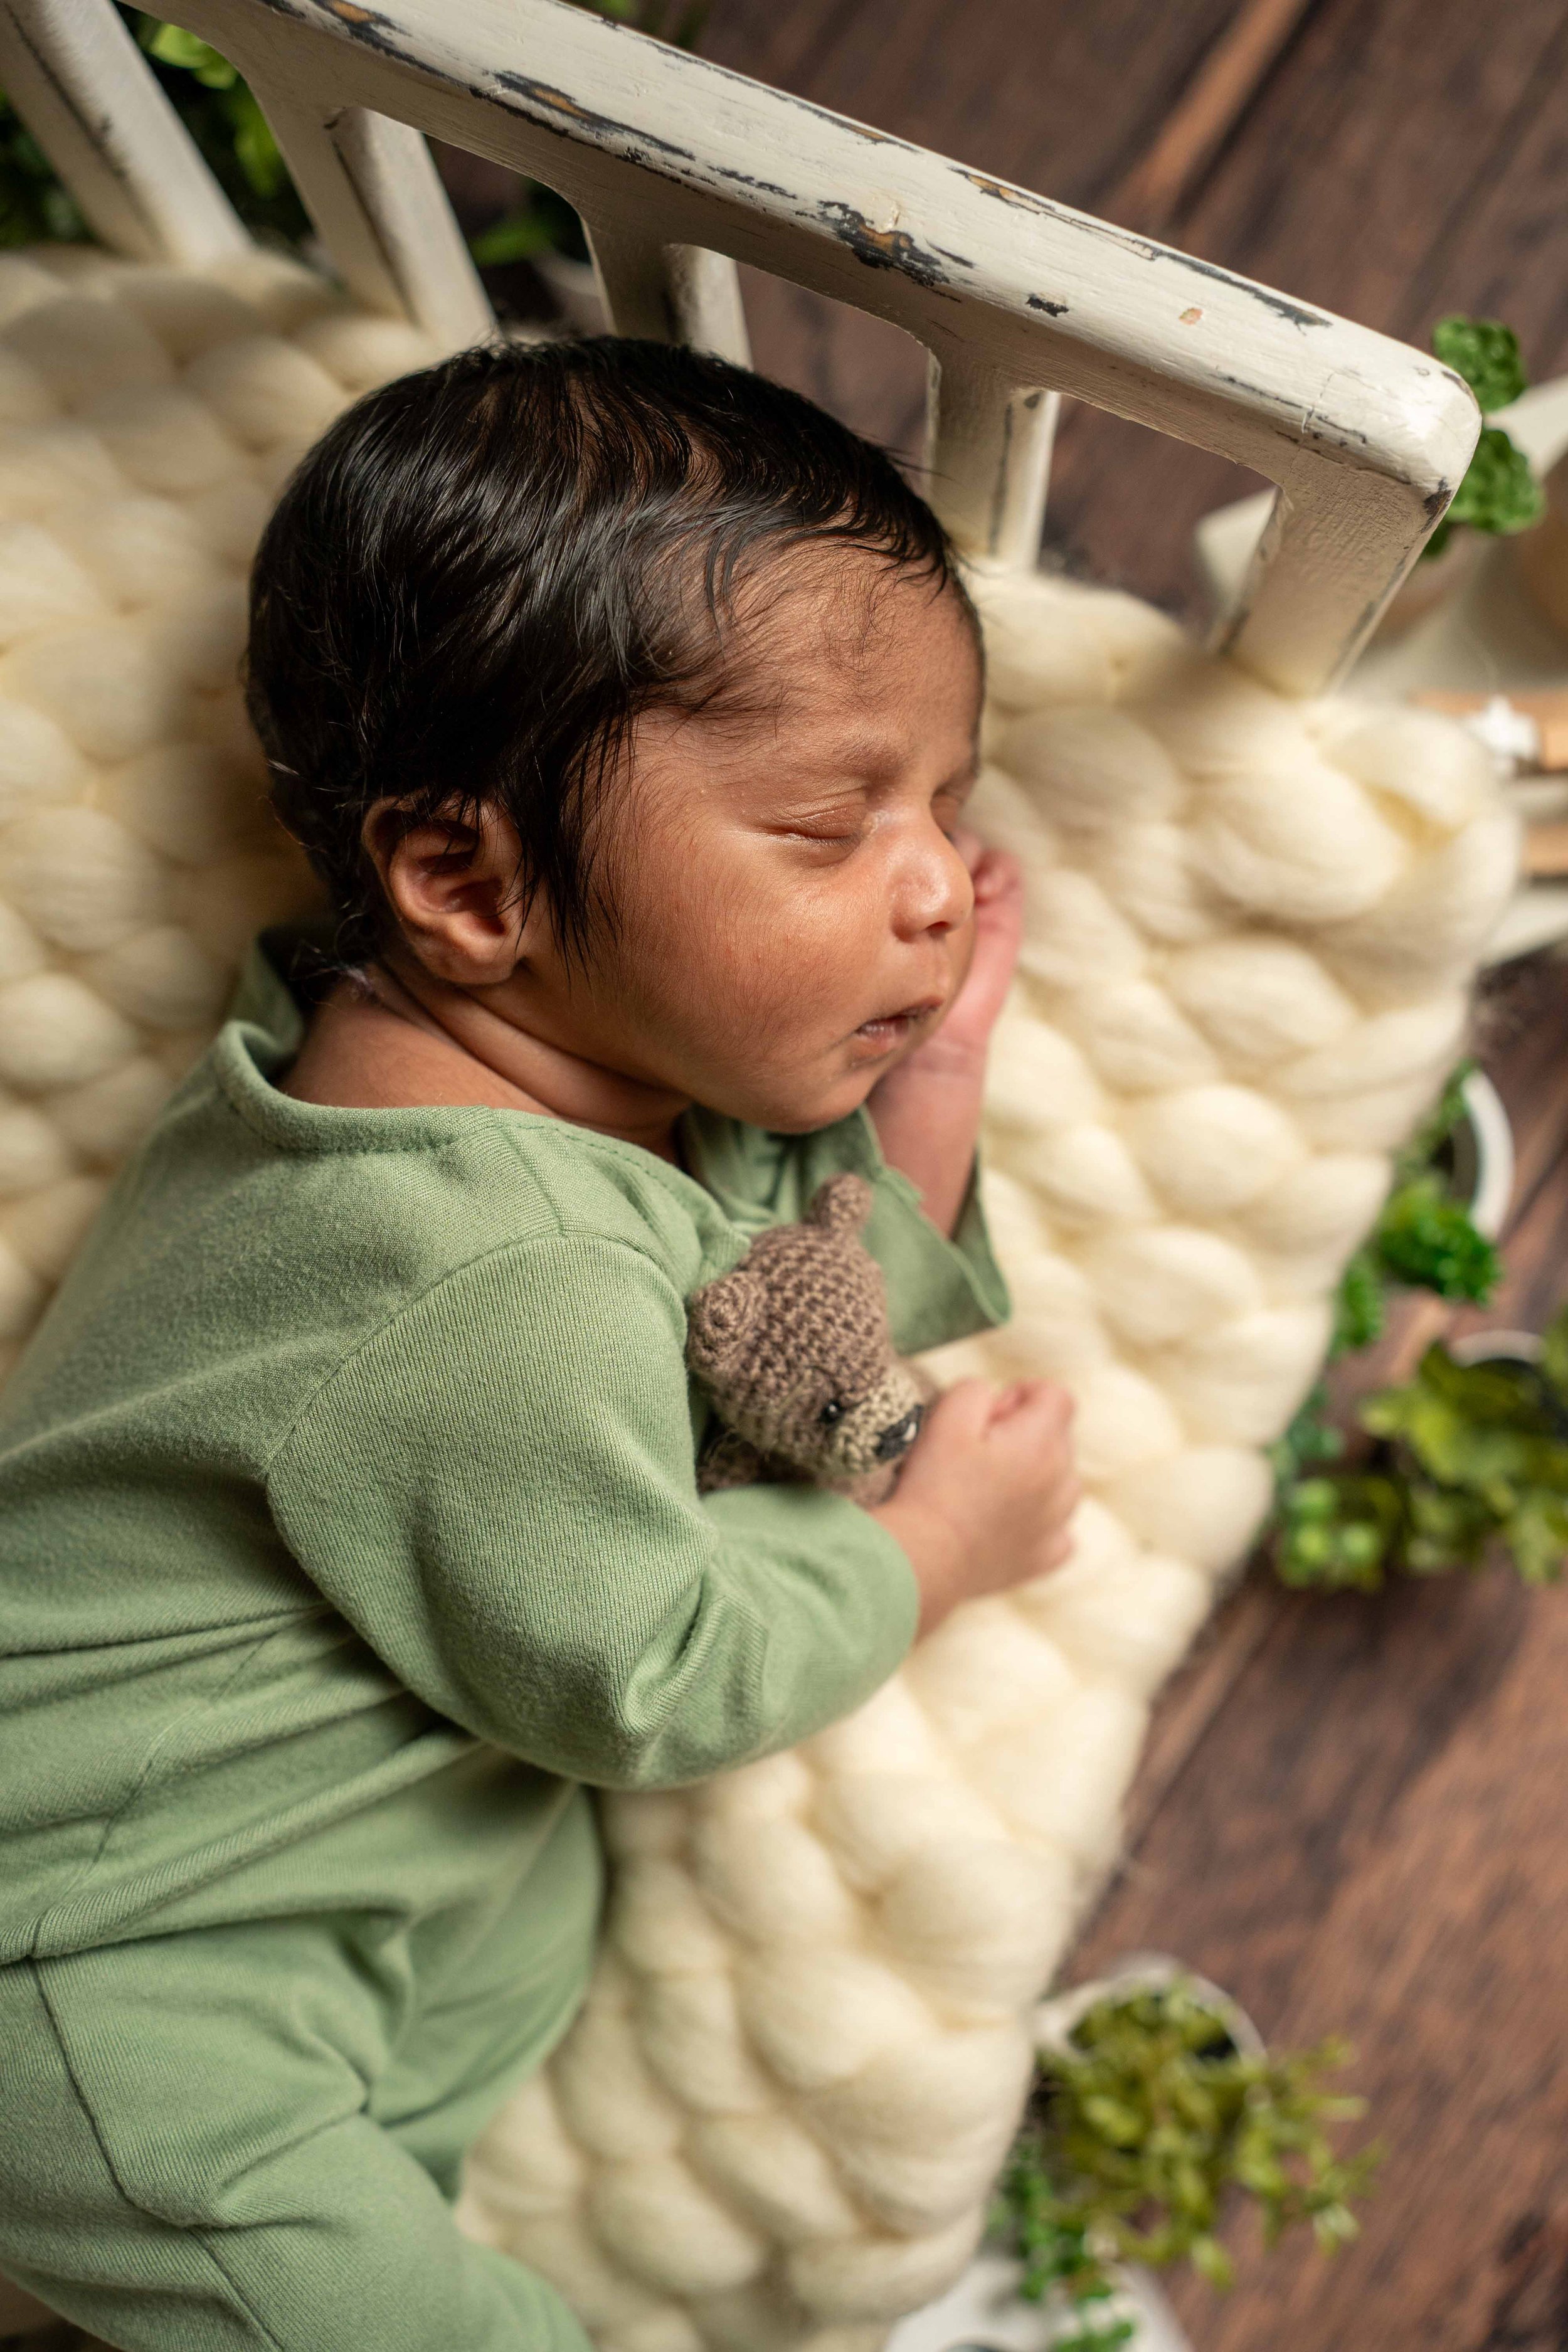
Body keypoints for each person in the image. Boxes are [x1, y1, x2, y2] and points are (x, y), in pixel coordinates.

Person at [0, 337, 1079, 2351]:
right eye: (830, 830)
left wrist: (929, 1084)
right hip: (100, 1996)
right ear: (467, 878)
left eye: (948, 804)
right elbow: (641, 1671)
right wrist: (919, 1554)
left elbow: (780, 1334)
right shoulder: (479, 1281)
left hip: (315, 1946)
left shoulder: (506, 1081)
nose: (936, 886)